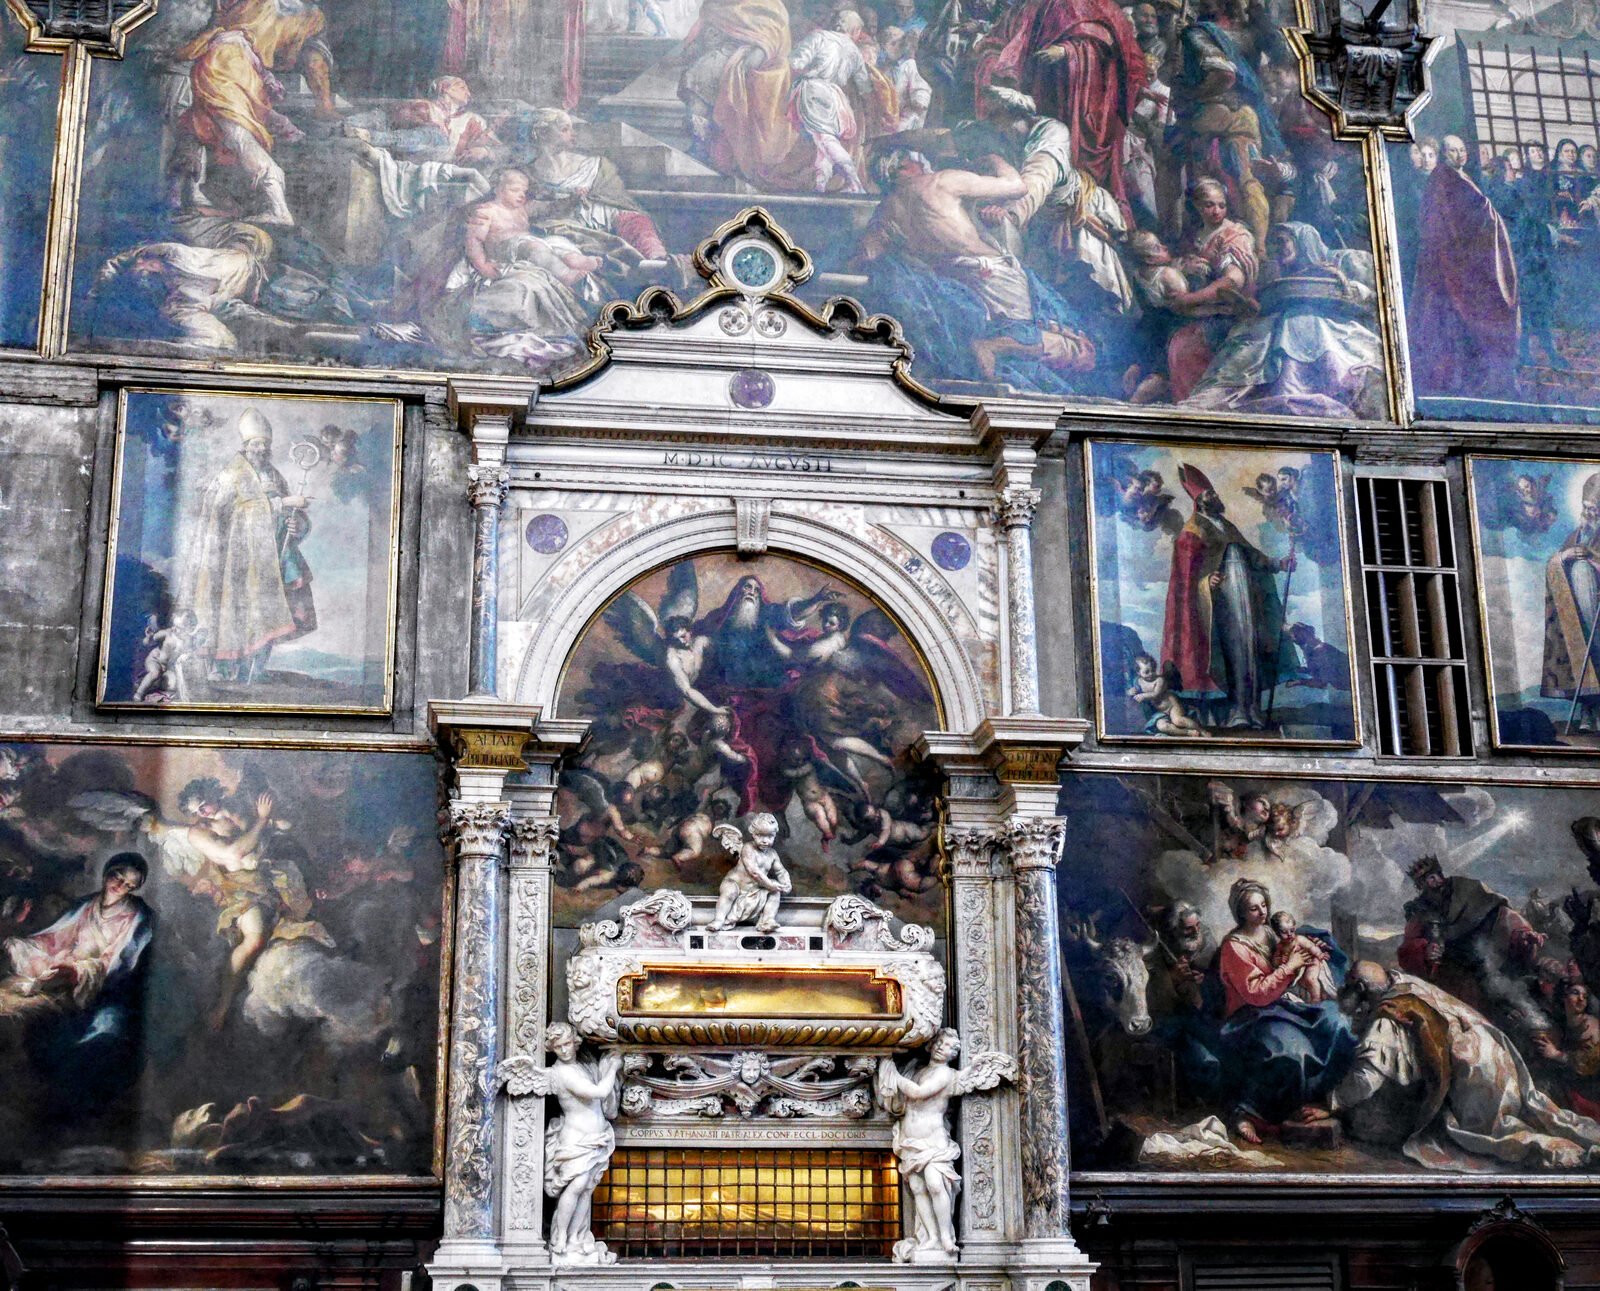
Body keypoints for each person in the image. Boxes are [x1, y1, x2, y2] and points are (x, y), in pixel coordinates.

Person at [1295, 961, 1600, 1170]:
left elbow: (1366, 1077)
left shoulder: (1388, 1018)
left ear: (1361, 988)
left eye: (1350, 984)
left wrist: (1331, 1103)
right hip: (1493, 1051)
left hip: (1475, 1072)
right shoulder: (1404, 983)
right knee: (1529, 1111)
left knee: (1498, 1132)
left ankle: (1573, 1155)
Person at [857, 150, 1112, 394]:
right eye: (915, 160)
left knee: (1025, 336)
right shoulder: (940, 181)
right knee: (1072, 346)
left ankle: (994, 350)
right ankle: (992, 348)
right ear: (904, 168)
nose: (922, 163)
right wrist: (995, 158)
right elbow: (1017, 187)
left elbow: (868, 254)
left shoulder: (884, 212)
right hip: (991, 274)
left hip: (952, 285)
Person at [1183, 221, 1386, 419]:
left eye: (1283, 241)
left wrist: (1344, 284)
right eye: (1275, 244)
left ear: (1302, 240)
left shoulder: (1341, 261)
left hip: (1331, 328)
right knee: (1246, 344)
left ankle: (1298, 386)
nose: (1278, 249)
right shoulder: (1275, 274)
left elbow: (1372, 298)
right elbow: (1260, 306)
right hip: (1273, 327)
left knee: (1300, 322)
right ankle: (1213, 398)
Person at [0, 854, 156, 1110]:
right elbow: (57, 936)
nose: (121, 886)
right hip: (69, 963)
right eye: (118, 876)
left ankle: (70, 1103)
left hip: (103, 980)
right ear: (108, 872)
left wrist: (79, 971)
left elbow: (122, 959)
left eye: (130, 884)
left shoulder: (138, 915)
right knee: (24, 953)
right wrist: (31, 946)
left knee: (102, 1040)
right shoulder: (87, 904)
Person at [973, 0, 1147, 217]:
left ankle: (1015, 214)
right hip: (1022, 108)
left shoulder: (1095, 5)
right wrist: (994, 66)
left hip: (1071, 108)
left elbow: (1111, 51)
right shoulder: (1025, 7)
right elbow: (996, 42)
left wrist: (1069, 52)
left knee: (1050, 163)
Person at [1214, 879, 1355, 1143]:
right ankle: (1253, 1114)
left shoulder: (1269, 933)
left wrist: (1310, 951)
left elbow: (1289, 964)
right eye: (1254, 909)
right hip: (1249, 1016)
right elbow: (1256, 993)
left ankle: (1323, 1103)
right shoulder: (1234, 946)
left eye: (1264, 905)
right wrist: (1290, 966)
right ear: (1241, 913)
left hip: (1280, 1005)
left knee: (1336, 1022)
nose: (1262, 912)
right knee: (1291, 1050)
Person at [1160, 462, 1295, 730]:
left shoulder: (1225, 525)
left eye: (1213, 492)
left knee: (1248, 650)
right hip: (1219, 607)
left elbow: (1250, 553)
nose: (1214, 496)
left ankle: (1250, 708)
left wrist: (1278, 564)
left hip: (1244, 596)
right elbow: (1185, 579)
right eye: (1208, 494)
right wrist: (1205, 582)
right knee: (1232, 652)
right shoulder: (1192, 531)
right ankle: (1235, 710)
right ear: (1199, 501)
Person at [187, 407, 316, 685]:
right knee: (237, 611)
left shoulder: (273, 473)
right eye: (256, 443)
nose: (261, 448)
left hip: (270, 557)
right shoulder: (234, 473)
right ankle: (225, 669)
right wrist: (284, 503)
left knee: (267, 611)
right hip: (237, 560)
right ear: (246, 445)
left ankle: (255, 670)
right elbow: (241, 511)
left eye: (265, 444)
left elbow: (291, 515)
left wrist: (297, 526)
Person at [1409, 134, 1520, 401]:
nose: (1459, 155)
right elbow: (1453, 220)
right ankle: (1457, 380)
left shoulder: (1461, 178)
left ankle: (1483, 379)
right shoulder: (1443, 180)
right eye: (1452, 151)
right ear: (1444, 154)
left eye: (1462, 150)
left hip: (1468, 261)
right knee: (1451, 322)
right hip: (1450, 265)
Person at [1398, 855, 1547, 1036]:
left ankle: (1534, 1023)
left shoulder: (1467, 889)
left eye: (1436, 874)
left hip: (1486, 954)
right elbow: (1409, 946)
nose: (1435, 880)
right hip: (1449, 967)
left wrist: (1523, 934)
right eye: (1428, 878)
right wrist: (1425, 951)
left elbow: (1503, 915)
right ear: (1421, 885)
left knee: (1502, 982)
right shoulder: (1419, 909)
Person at [788, 11, 877, 193]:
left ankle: (855, 182)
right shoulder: (853, 50)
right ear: (855, 30)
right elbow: (865, 86)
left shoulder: (819, 37)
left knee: (825, 139)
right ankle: (820, 185)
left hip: (814, 92)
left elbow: (795, 62)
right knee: (822, 143)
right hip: (836, 97)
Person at [1542, 472, 1600, 731]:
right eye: (1586, 507)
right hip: (1581, 617)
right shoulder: (1577, 534)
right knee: (1585, 657)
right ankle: (1590, 714)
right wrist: (1564, 556)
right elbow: (1555, 565)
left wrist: (1591, 559)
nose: (1588, 513)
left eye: (1594, 509)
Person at [707, 812, 791, 932]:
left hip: (756, 888)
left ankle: (768, 920)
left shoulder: (772, 854)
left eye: (770, 836)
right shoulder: (748, 849)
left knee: (775, 893)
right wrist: (771, 885)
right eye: (760, 836)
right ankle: (719, 920)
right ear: (753, 834)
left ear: (774, 835)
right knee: (729, 892)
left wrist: (786, 883)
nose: (765, 841)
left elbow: (781, 871)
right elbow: (754, 872)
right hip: (735, 883)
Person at [1268, 910, 1337, 1004]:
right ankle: (1320, 995)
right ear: (1277, 933)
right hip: (1298, 969)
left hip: (1311, 962)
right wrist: (1280, 960)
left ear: (1294, 927)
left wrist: (1319, 954)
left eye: (1292, 931)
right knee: (1301, 984)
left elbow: (1311, 947)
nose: (1289, 934)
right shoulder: (1280, 946)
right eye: (1284, 932)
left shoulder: (1299, 939)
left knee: (1310, 979)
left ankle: (1316, 999)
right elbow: (1274, 961)